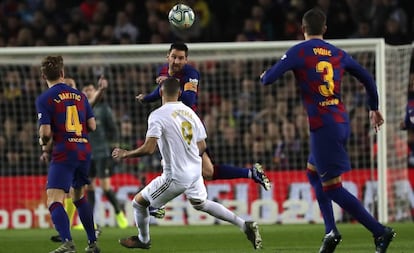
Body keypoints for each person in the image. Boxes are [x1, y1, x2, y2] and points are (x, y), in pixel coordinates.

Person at [260, 8, 395, 253]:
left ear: (303, 29)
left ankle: (380, 231)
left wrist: (263, 76)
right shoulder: (337, 53)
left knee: (333, 188)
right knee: (313, 173)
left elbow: (269, 79)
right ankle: (331, 231)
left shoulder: (299, 50)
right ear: (324, 29)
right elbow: (367, 78)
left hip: (324, 127)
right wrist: (373, 108)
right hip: (339, 121)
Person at [112, 77, 262, 250]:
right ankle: (245, 225)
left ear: (160, 92)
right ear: (180, 93)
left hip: (176, 175)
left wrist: (126, 154)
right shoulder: (190, 113)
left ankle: (143, 239)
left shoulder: (157, 115)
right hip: (195, 170)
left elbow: (149, 148)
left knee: (138, 203)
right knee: (201, 203)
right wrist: (185, 156)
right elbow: (202, 145)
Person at [136, 42, 271, 217]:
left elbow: (190, 100)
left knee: (176, 162)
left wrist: (172, 83)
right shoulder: (163, 71)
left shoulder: (191, 74)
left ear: (186, 60)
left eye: (181, 58)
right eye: (174, 57)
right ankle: (250, 173)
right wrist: (146, 98)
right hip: (173, 123)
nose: (177, 61)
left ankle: (155, 203)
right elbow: (160, 91)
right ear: (167, 57)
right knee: (208, 172)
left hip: (187, 125)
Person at [36, 56, 100, 253]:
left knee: (54, 199)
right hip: (83, 149)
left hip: (64, 151)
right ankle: (92, 243)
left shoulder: (44, 99)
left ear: (43, 76)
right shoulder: (80, 96)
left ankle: (68, 243)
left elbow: (46, 133)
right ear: (63, 73)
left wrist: (43, 142)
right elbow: (92, 126)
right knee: (79, 196)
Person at [48, 77, 107, 243]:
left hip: (75, 153)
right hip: (77, 152)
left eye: (71, 85)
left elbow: (93, 103)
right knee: (73, 194)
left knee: (69, 193)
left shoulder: (79, 101)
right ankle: (81, 231)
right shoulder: (65, 104)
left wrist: (101, 91)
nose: (68, 88)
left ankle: (76, 232)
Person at [81, 81, 129, 229]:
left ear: (96, 92)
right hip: (87, 154)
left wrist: (114, 146)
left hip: (102, 153)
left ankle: (119, 213)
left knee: (105, 186)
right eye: (86, 90)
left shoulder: (103, 109)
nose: (88, 92)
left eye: (91, 89)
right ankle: (89, 221)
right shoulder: (79, 110)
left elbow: (113, 129)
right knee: (88, 187)